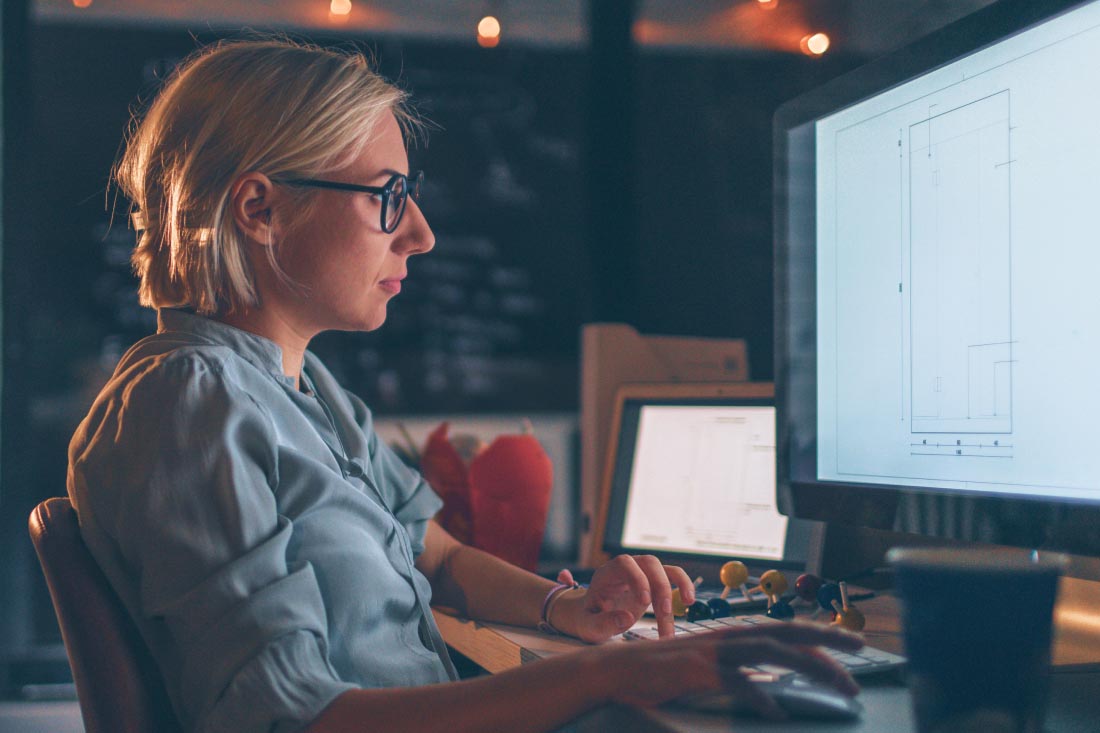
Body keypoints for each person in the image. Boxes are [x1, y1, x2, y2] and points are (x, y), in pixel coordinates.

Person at [67, 37, 863, 733]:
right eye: (388, 197)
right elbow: (295, 721)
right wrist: (610, 672)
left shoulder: (303, 387)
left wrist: (569, 609)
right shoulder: (191, 406)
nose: (420, 232)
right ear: (259, 208)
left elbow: (435, 552)